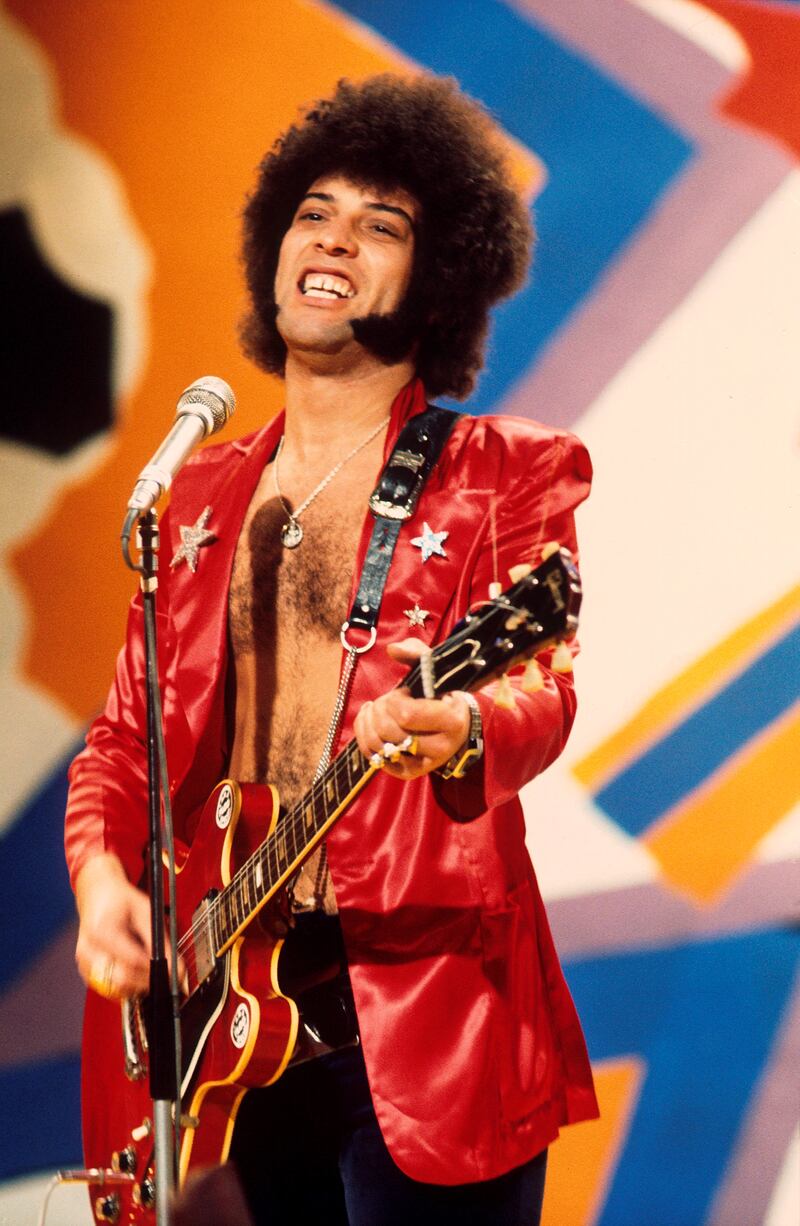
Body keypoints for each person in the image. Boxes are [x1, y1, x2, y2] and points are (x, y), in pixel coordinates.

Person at [65, 73, 598, 1225]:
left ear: (437, 275)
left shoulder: (505, 469)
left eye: (381, 224)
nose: (334, 240)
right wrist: (102, 878)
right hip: (210, 1026)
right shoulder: (195, 491)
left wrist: (460, 724)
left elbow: (538, 694)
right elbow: (122, 739)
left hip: (423, 1022)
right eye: (314, 212)